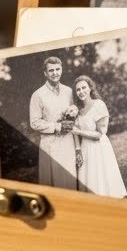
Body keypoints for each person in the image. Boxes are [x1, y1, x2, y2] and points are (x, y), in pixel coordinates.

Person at [72, 75, 127, 198]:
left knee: (102, 179)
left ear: (90, 88)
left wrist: (79, 132)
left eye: (83, 88)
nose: (81, 91)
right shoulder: (78, 110)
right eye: (78, 90)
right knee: (89, 179)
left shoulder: (99, 105)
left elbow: (100, 134)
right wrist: (78, 150)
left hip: (99, 148)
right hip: (85, 148)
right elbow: (74, 131)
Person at [29, 55, 78, 190]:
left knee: (71, 179)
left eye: (57, 69)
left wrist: (73, 112)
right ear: (45, 73)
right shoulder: (38, 95)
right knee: (55, 184)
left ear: (61, 70)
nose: (55, 73)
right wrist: (57, 126)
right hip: (50, 145)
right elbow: (34, 122)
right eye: (51, 70)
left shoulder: (68, 91)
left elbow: (74, 114)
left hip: (68, 142)